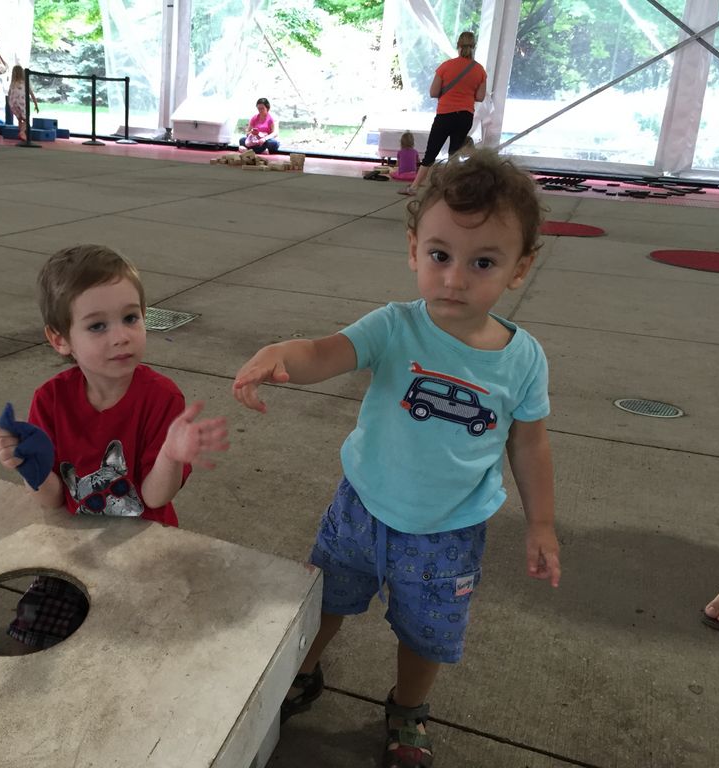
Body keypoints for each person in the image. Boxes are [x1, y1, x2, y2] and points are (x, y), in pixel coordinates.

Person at [233, 149, 560, 768]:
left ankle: (408, 708)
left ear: (520, 268)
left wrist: (541, 524)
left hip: (448, 531)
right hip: (361, 509)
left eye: (482, 262)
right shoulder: (394, 326)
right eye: (440, 255)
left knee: (427, 631)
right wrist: (283, 353)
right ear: (413, 250)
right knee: (324, 599)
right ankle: (300, 670)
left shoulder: (523, 360)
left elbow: (529, 442)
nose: (454, 279)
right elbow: (326, 352)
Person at [0, 244, 229, 652]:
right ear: (60, 339)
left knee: (139, 648)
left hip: (146, 547)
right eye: (97, 326)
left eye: (131, 318)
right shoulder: (50, 400)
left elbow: (154, 497)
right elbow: (52, 499)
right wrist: (27, 465)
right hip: (74, 549)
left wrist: (171, 455)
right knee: (37, 636)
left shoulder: (161, 398)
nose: (121, 336)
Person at [406, 31, 487, 195]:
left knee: (431, 152)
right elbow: (480, 97)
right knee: (454, 153)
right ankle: (451, 188)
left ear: (458, 45)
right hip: (465, 116)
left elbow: (433, 92)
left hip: (445, 114)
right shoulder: (479, 70)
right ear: (474, 46)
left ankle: (414, 187)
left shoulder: (446, 66)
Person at [7, 64, 38, 141]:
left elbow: (9, 93)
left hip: (13, 103)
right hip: (21, 103)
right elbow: (31, 94)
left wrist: (10, 104)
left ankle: (22, 134)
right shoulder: (24, 82)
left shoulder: (13, 83)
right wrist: (36, 104)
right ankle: (22, 132)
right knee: (26, 120)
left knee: (20, 119)